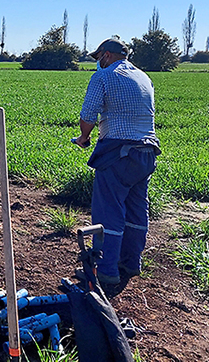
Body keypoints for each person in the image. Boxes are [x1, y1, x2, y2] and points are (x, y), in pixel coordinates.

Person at [74, 38, 160, 296]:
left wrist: (83, 138)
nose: (97, 62)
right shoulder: (144, 77)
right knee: (136, 208)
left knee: (108, 209)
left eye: (98, 57)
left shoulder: (103, 77)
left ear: (108, 55)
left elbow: (88, 115)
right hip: (146, 153)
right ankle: (131, 263)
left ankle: (106, 270)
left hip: (118, 154)